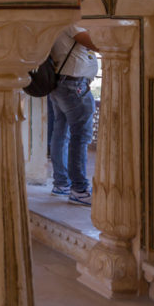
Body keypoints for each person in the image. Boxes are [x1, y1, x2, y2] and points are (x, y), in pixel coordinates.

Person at [49, 24, 99, 206]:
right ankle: (79, 189)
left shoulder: (57, 21)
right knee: (80, 137)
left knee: (61, 132)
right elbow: (98, 43)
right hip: (73, 85)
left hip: (61, 82)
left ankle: (61, 183)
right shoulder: (72, 24)